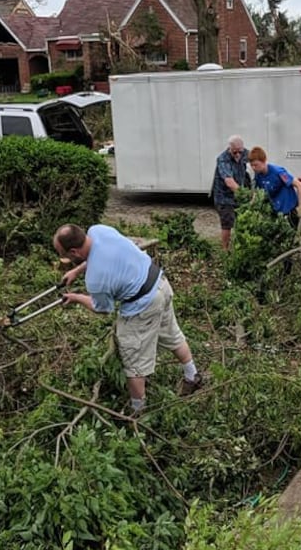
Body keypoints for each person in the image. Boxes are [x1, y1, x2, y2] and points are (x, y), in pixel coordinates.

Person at [54, 223, 203, 414]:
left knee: (133, 360)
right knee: (171, 334)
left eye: (63, 254)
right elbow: (106, 254)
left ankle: (137, 413)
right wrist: (76, 271)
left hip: (143, 305)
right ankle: (193, 376)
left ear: (74, 252)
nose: (64, 258)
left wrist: (76, 298)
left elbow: (103, 309)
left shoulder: (96, 280)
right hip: (160, 283)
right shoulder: (99, 231)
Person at [247, 146, 301, 228]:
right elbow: (257, 192)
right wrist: (251, 206)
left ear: (264, 161)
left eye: (256, 165)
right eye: (251, 165)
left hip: (288, 209)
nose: (253, 168)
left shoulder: (278, 172)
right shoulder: (258, 175)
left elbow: (299, 185)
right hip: (276, 210)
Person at [212, 135, 250, 249]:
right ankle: (225, 250)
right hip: (224, 197)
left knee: (243, 221)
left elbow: (258, 159)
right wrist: (245, 194)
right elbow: (229, 181)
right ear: (230, 149)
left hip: (238, 195)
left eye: (240, 152)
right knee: (227, 224)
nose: (238, 155)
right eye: (235, 152)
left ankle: (241, 247)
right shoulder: (223, 159)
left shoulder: (245, 153)